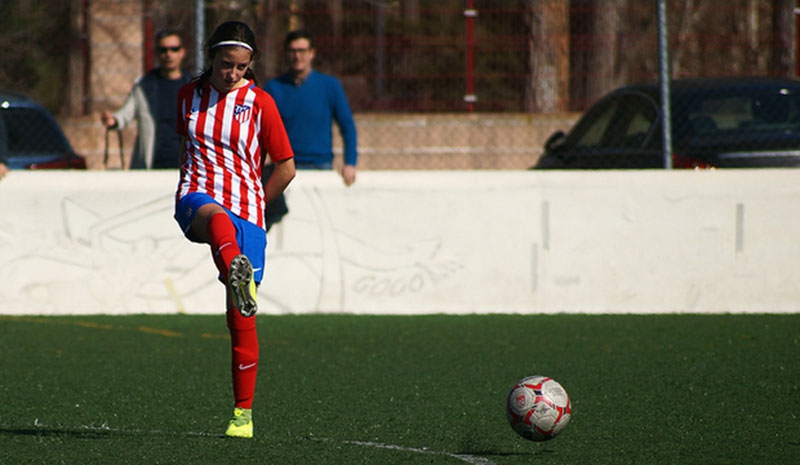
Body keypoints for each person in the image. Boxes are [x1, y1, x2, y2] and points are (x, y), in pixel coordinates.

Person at [173, 20, 295, 439]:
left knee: (241, 317)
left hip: (248, 212)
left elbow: (286, 166)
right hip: (197, 197)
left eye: (241, 67)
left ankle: (242, 415)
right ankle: (234, 265)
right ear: (210, 57)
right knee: (215, 215)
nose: (233, 74)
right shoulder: (188, 95)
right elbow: (186, 147)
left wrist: (258, 201)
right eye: (226, 65)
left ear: (251, 65)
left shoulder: (261, 103)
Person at [265, 29, 358, 186]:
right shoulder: (274, 88)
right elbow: (261, 130)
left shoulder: (330, 86)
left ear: (312, 53)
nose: (297, 56)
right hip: (285, 167)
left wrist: (350, 163)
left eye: (302, 50)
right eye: (292, 51)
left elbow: (347, 126)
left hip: (321, 165)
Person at [101, 28, 191, 169]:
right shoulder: (144, 86)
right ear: (156, 54)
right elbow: (126, 113)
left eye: (174, 49)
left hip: (187, 167)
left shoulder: (194, 87)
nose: (169, 55)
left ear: (182, 52)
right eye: (163, 50)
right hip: (152, 166)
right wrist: (114, 120)